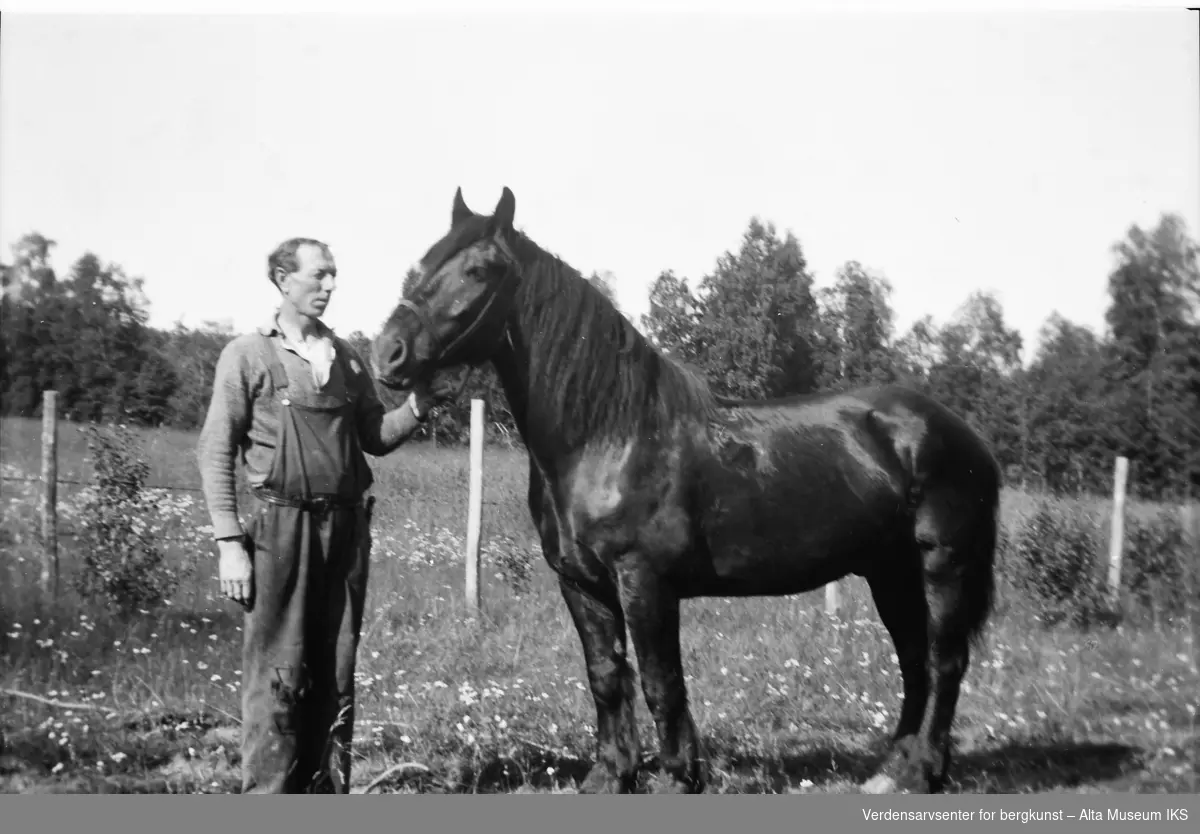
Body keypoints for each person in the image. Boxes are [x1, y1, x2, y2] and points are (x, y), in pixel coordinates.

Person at [197, 237, 454, 794]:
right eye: (320, 275)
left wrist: (417, 409)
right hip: (278, 532)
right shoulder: (248, 355)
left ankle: (325, 793)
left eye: (335, 275)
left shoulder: (346, 358)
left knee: (337, 670)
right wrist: (228, 541)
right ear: (284, 281)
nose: (330, 286)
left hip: (344, 533)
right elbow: (215, 448)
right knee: (278, 672)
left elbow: (373, 437)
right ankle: (268, 797)